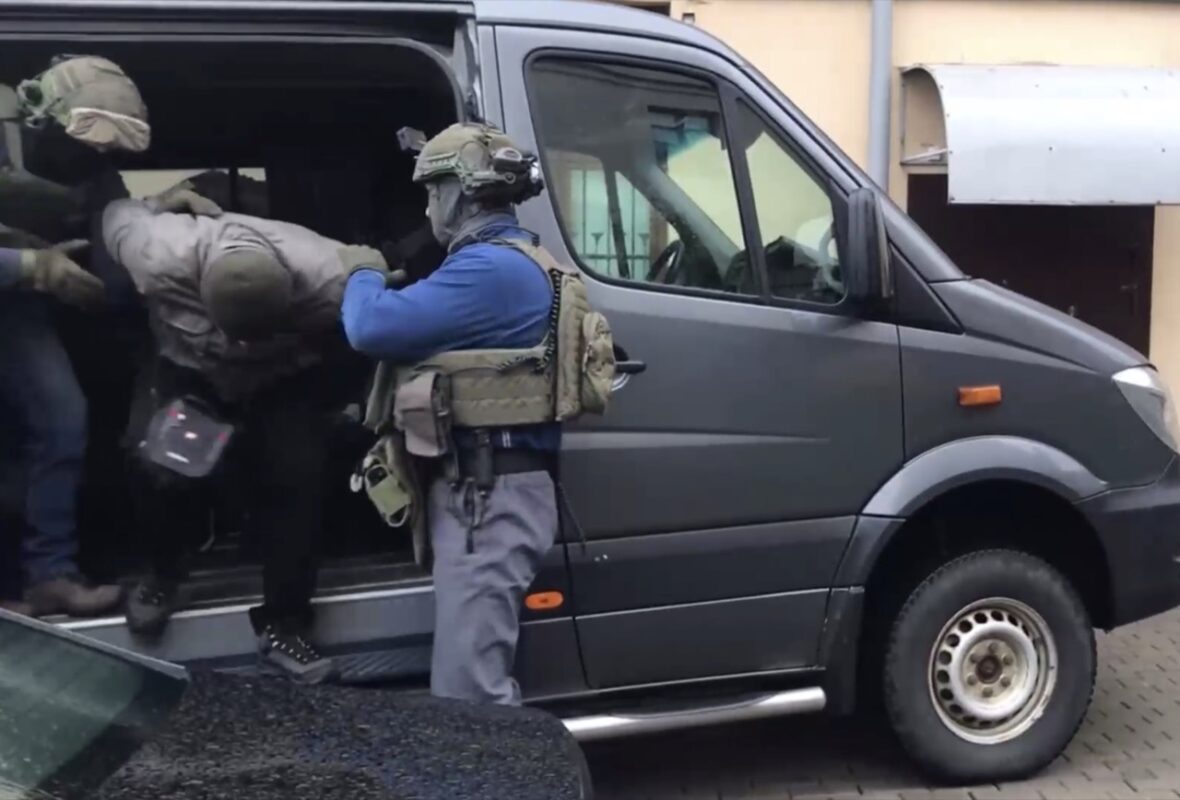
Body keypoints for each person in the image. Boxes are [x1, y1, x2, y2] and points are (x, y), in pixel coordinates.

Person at [340, 122, 614, 704]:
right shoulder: (513, 261)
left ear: (461, 193)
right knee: (473, 682)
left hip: (487, 499)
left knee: (471, 697)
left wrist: (361, 271)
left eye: (432, 191)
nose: (428, 207)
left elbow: (369, 326)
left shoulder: (489, 270)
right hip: (491, 492)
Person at [102, 186, 361, 684]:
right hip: (192, 370)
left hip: (281, 379)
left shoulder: (332, 275)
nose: (238, 345)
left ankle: (284, 625)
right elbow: (116, 212)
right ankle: (163, 575)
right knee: (161, 467)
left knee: (297, 479)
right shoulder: (154, 249)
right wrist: (158, 202)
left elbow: (383, 296)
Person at [0, 55, 151, 617]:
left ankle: (48, 574)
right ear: (42, 118)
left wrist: (155, 222)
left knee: (62, 420)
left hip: (19, 306)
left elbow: (113, 261)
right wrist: (32, 267)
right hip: (18, 285)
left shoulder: (94, 172)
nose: (90, 161)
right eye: (83, 144)